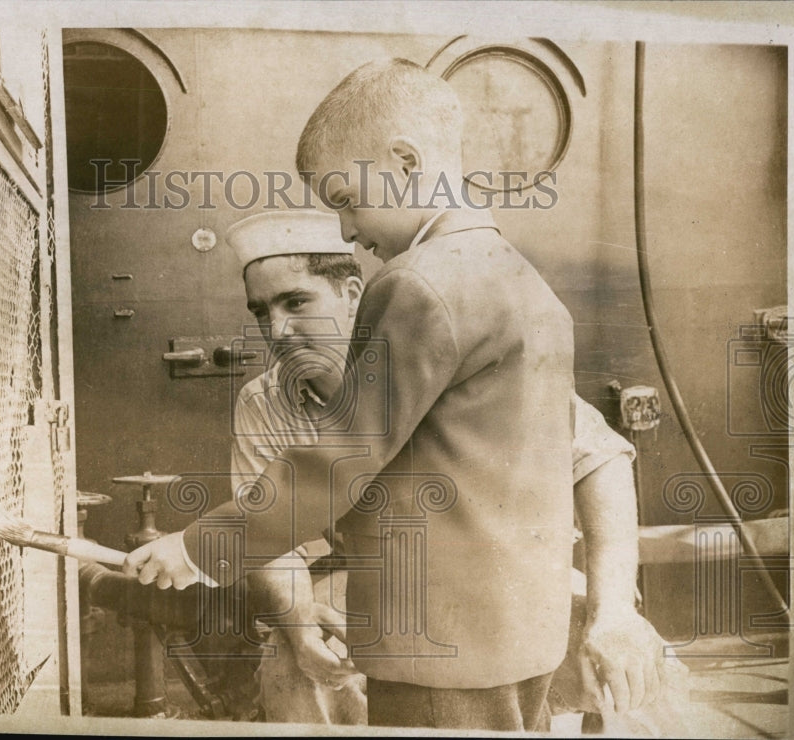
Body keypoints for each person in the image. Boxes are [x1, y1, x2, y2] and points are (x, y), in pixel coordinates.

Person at [124, 58, 667, 731]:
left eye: (347, 199)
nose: (348, 230)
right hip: (522, 639)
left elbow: (338, 464)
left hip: (434, 648)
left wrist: (197, 549)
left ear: (406, 162)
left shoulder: (416, 285)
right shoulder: (523, 281)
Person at [223, 210, 675, 728]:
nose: (276, 330)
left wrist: (612, 611)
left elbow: (600, 459)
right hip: (366, 578)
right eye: (261, 311)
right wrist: (299, 622)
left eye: (296, 302)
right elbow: (266, 534)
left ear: (351, 294)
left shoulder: (446, 346)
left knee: (637, 673)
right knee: (297, 669)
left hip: (507, 571)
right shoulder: (263, 402)